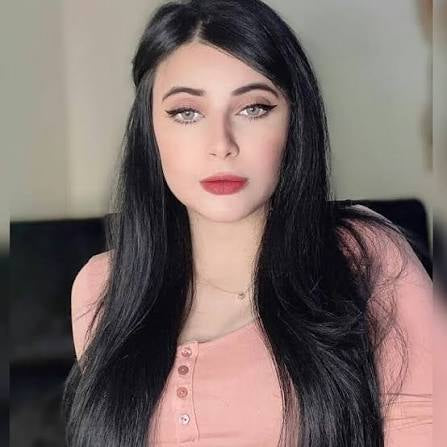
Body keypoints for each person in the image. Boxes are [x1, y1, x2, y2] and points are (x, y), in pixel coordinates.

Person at [62, 1, 433, 446]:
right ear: (150, 130)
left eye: (253, 108)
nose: (221, 145)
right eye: (186, 112)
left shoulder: (366, 256)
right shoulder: (101, 289)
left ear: (294, 120)